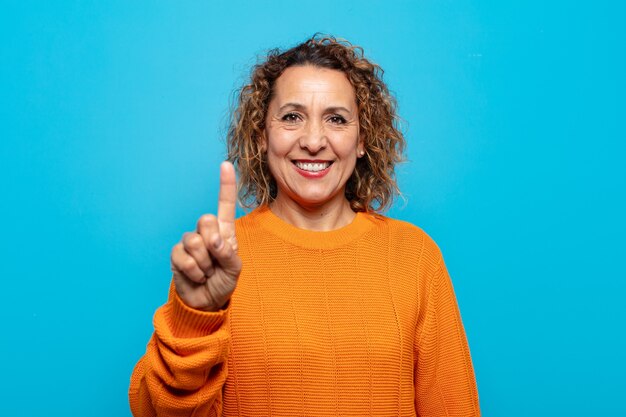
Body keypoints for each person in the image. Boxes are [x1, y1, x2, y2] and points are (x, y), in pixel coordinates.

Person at [129, 35, 480, 417]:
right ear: (262, 135)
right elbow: (155, 411)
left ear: (362, 139)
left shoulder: (414, 257)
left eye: (336, 119)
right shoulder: (217, 259)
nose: (313, 141)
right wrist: (195, 317)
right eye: (292, 117)